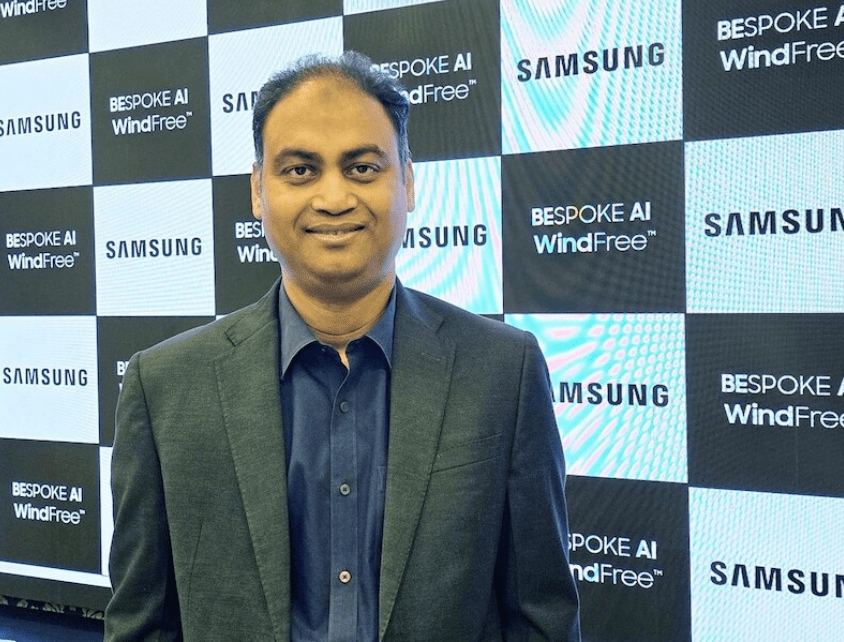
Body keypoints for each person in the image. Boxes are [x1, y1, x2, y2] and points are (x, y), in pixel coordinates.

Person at [104, 51, 580, 641]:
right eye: (300, 170)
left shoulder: (503, 371)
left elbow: (540, 617)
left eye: (362, 167)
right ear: (258, 191)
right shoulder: (165, 386)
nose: (333, 197)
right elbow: (142, 624)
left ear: (407, 181)